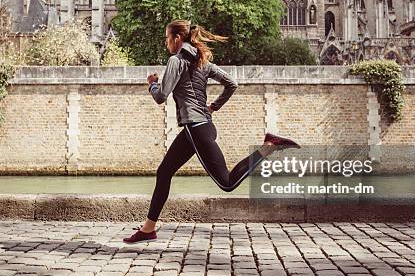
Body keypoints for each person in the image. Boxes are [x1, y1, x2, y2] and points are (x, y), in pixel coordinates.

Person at [123, 20, 300, 243]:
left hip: (196, 129)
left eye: (167, 38)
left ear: (177, 38)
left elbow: (160, 97)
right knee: (164, 171)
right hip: (197, 127)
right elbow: (231, 83)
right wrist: (213, 107)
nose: (165, 42)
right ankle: (148, 229)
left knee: (227, 183)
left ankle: (269, 147)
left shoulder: (176, 61)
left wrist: (152, 84)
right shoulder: (202, 62)